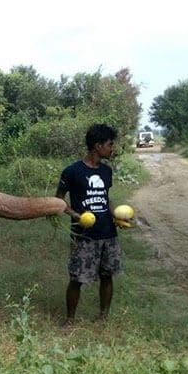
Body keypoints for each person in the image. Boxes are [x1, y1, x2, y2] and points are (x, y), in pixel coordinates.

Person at [56, 123, 123, 326]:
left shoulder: (106, 171)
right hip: (83, 234)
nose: (113, 148)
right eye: (110, 144)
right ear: (97, 146)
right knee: (77, 278)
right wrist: (76, 215)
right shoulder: (72, 171)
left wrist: (117, 216)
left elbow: (105, 199)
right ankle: (70, 320)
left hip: (108, 233)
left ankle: (103, 316)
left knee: (107, 275)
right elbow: (59, 200)